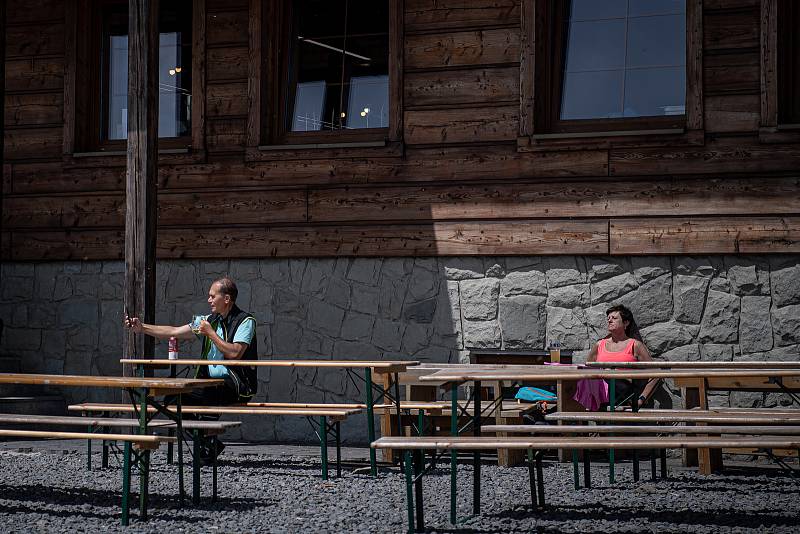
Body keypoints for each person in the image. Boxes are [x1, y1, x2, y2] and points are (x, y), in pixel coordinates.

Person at [124, 276, 258, 463]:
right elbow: (173, 331)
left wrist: (210, 333)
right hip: (210, 384)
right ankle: (207, 441)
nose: (209, 300)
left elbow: (235, 353)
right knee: (172, 398)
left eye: (213, 296)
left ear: (226, 299)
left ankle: (206, 444)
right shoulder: (209, 320)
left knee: (211, 391)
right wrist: (142, 328)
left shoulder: (245, 321)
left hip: (237, 385)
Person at [586, 304, 658, 409]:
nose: (609, 321)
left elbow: (656, 374)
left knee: (609, 376)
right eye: (608, 318)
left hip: (624, 395)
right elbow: (586, 371)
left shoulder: (635, 345)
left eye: (614, 318)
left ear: (626, 323)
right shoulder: (599, 345)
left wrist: (641, 399)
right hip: (601, 396)